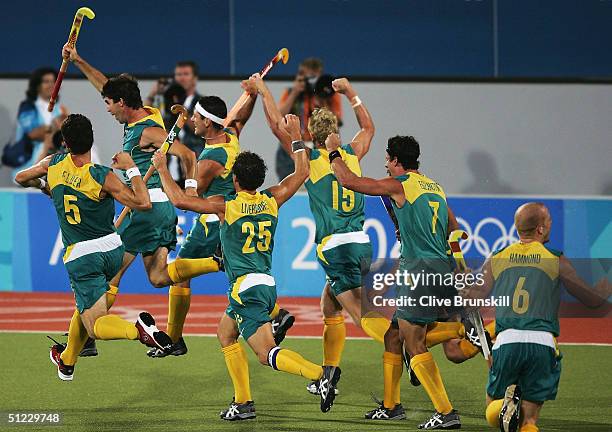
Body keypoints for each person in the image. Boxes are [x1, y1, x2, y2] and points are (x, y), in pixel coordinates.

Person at [151, 114, 341, 420]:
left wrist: (161, 168)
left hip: (245, 289)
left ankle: (320, 374)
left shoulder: (227, 206)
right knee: (225, 334)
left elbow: (180, 200)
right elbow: (303, 171)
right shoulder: (273, 198)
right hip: (265, 285)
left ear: (235, 180)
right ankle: (243, 402)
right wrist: (295, 136)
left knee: (266, 353)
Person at [60, 43, 222, 355]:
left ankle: (88, 338)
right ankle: (215, 263)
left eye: (110, 104)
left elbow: (188, 153)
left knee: (109, 275)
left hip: (146, 209)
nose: (107, 108)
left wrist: (189, 191)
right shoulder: (147, 113)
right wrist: (78, 59)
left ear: (123, 103)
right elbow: (106, 88)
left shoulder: (147, 131)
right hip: (158, 212)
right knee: (159, 277)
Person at [249, 73, 390, 394]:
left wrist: (263, 90)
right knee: (330, 305)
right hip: (362, 244)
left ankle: (406, 346)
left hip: (336, 247)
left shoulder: (310, 159)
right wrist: (351, 92)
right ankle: (328, 372)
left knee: (361, 312)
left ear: (312, 134)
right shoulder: (351, 154)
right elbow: (368, 128)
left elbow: (275, 126)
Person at [14, 114, 172, 381]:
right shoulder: (102, 176)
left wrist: (47, 185)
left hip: (82, 257)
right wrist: (131, 168)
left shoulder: (53, 164)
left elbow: (21, 177)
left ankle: (139, 331)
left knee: (96, 325)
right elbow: (142, 202)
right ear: (92, 140)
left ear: (64, 142)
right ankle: (67, 361)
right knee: (86, 306)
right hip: (112, 251)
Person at [147, 91, 294, 358]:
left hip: (213, 222)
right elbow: (239, 118)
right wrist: (251, 93)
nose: (192, 120)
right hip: (232, 216)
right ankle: (277, 314)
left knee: (175, 275)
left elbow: (189, 199)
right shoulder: (231, 136)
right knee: (232, 278)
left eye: (197, 117)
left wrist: (167, 168)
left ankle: (174, 337)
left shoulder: (210, 160)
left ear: (208, 123)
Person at [328, 134, 462, 429]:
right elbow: (454, 228)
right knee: (393, 335)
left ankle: (446, 411)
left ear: (397, 161)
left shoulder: (400, 185)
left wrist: (333, 153)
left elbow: (350, 182)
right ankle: (391, 406)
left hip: (419, 273)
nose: (386, 166)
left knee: (414, 343)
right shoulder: (435, 186)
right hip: (442, 269)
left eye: (388, 160)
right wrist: (458, 264)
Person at [461, 202, 612, 432]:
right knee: (529, 422)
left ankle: (506, 406)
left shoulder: (497, 257)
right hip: (541, 344)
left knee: (493, 412)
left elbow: (473, 298)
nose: (551, 224)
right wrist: (604, 289)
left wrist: (463, 286)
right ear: (541, 229)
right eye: (549, 220)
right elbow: (592, 301)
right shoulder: (555, 259)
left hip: (507, 342)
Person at [275, 58, 343, 180]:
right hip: (292, 146)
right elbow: (278, 116)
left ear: (319, 75)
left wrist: (322, 98)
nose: (309, 81)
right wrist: (295, 92)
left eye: (313, 77)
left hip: (321, 147)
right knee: (289, 187)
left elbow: (336, 121)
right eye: (304, 76)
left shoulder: (329, 93)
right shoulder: (291, 92)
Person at [4, 68, 69, 175]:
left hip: (55, 156)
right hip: (31, 156)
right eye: (46, 82)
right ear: (37, 85)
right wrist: (55, 127)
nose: (51, 85)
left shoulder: (61, 109)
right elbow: (34, 133)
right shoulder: (28, 107)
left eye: (54, 82)